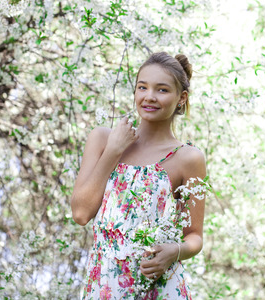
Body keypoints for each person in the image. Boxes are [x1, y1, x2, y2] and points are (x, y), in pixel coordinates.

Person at [71, 52, 206, 299]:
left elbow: (195, 236)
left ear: (181, 98)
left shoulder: (188, 158)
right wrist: (113, 150)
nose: (149, 97)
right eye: (142, 87)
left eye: (162, 90)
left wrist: (174, 251)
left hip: (159, 286)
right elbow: (81, 213)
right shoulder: (103, 139)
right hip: (105, 285)